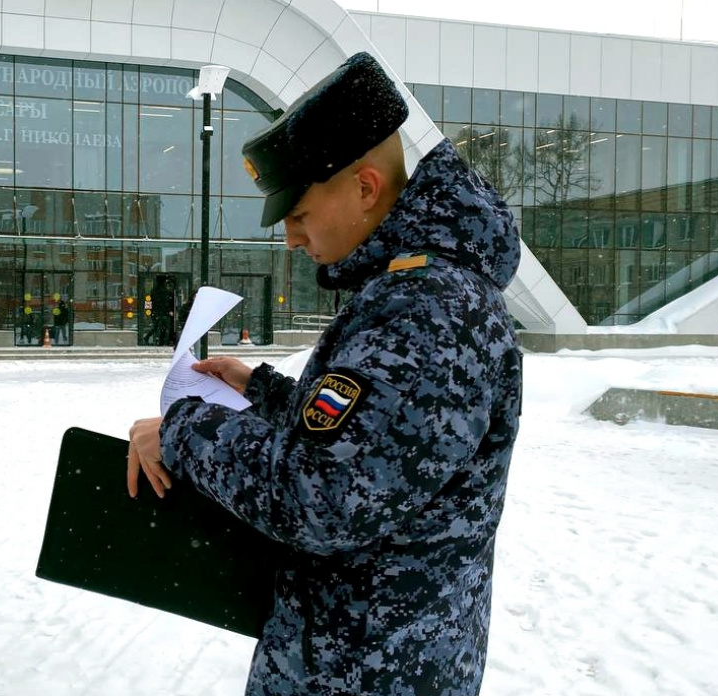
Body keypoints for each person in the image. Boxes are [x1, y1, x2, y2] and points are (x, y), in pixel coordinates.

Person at [126, 52, 522, 696]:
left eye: (299, 214)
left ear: (365, 188)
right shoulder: (417, 294)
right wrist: (265, 393)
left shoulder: (426, 312)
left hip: (369, 673)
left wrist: (182, 431)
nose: (289, 238)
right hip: (363, 659)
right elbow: (374, 445)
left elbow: (326, 498)